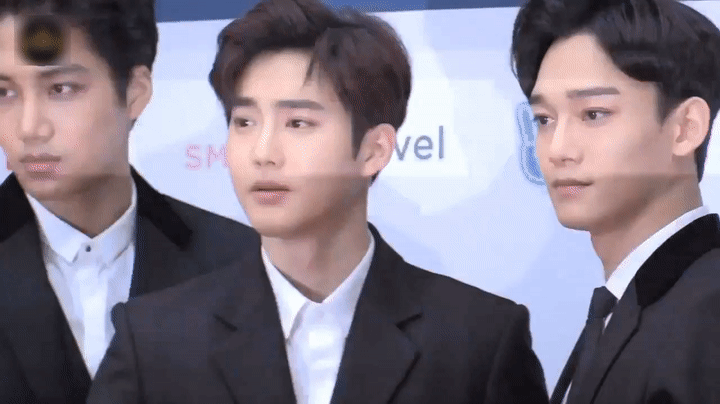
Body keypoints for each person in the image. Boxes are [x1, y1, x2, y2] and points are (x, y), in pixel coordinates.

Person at [86, 0, 549, 402]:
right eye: (244, 122)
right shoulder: (154, 339)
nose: (263, 152)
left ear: (374, 149)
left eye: (298, 123)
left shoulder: (477, 341)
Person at [0, 0, 258, 402]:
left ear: (135, 92)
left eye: (60, 89)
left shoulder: (241, 264)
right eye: (5, 92)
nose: (29, 127)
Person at [510, 0, 720, 402]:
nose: (558, 149)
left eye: (593, 114)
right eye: (544, 119)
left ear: (686, 127)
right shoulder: (627, 302)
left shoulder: (708, 317)